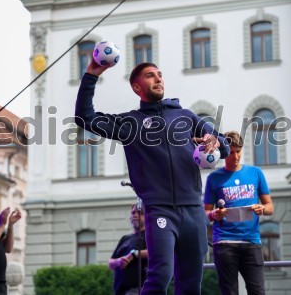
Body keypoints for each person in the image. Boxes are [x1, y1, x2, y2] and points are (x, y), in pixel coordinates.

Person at [75, 60, 229, 294]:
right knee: (160, 275)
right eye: (150, 76)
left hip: (194, 211)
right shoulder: (130, 122)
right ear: (137, 87)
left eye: (160, 74)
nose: (158, 79)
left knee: (191, 284)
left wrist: (216, 142)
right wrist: (91, 75)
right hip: (159, 210)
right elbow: (84, 117)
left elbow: (225, 147)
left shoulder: (185, 116)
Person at [203, 130, 274, 295]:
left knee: (258, 291)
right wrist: (214, 215)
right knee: (229, 292)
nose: (235, 156)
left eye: (238, 151)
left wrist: (262, 209)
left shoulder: (256, 173)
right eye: (231, 152)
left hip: (251, 242)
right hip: (224, 243)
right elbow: (205, 213)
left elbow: (270, 207)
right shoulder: (214, 178)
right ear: (223, 153)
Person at [109, 203, 148, 295]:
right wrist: (118, 261)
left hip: (139, 290)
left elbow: (157, 252)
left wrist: (134, 254)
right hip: (120, 291)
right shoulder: (125, 238)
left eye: (139, 212)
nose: (135, 215)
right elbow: (110, 263)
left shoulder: (149, 235)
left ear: (146, 216)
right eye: (133, 213)